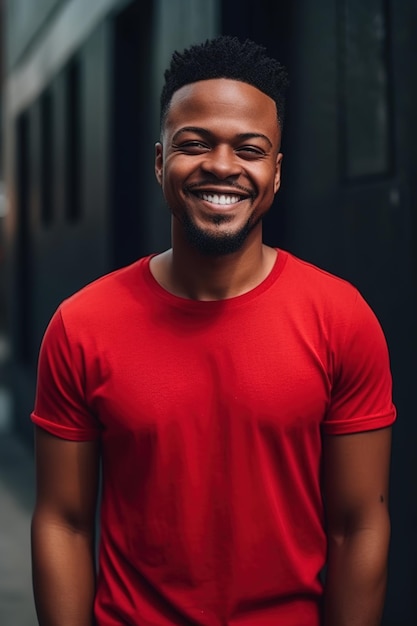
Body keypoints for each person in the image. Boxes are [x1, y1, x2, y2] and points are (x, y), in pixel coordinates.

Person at [31, 35, 396, 626]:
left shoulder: (341, 318)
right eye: (194, 144)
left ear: (275, 173)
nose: (221, 166)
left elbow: (359, 524)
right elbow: (63, 521)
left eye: (249, 149)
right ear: (159, 162)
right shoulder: (82, 324)